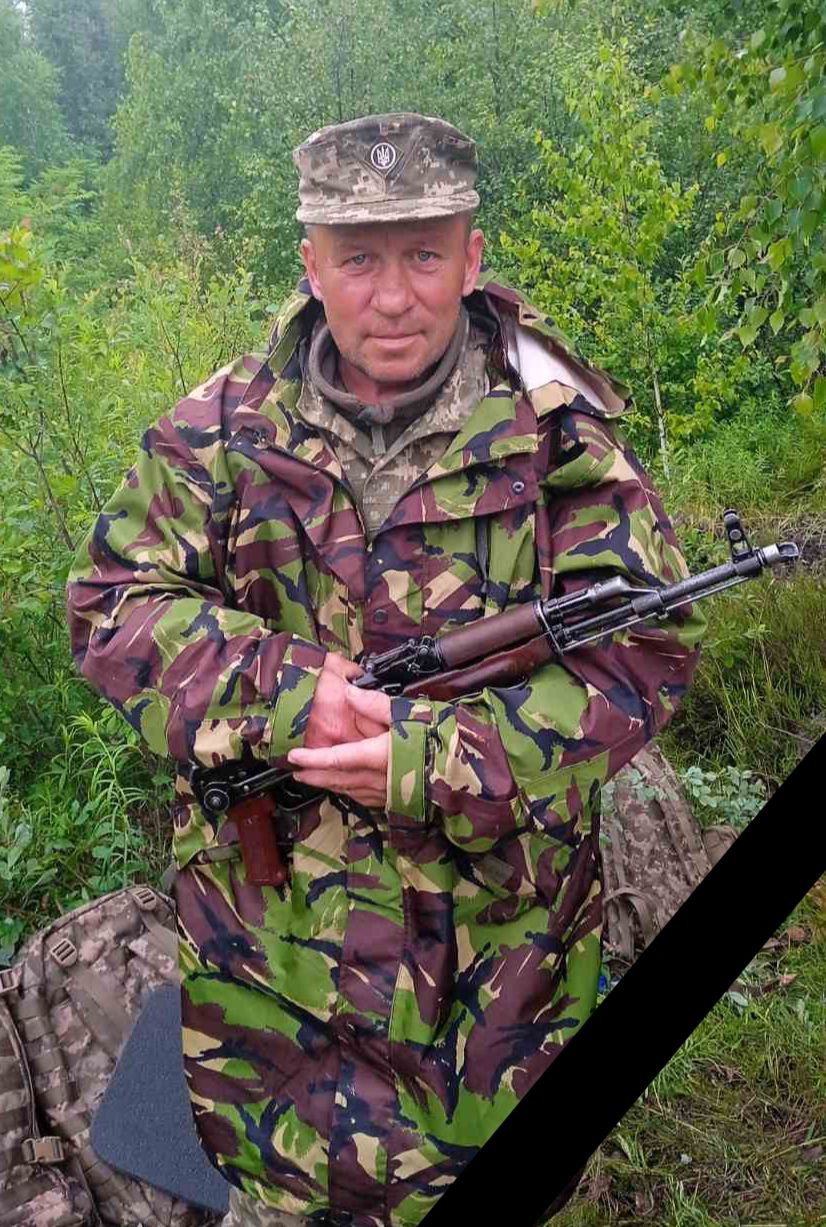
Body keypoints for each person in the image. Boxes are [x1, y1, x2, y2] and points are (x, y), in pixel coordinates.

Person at [66, 113, 704, 1227]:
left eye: (423, 254)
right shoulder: (221, 429)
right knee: (277, 1190)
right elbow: (110, 603)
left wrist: (444, 756)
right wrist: (278, 687)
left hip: (498, 982)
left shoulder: (558, 433)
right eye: (359, 259)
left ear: (472, 255)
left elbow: (641, 649)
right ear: (310, 264)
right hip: (272, 977)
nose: (394, 297)